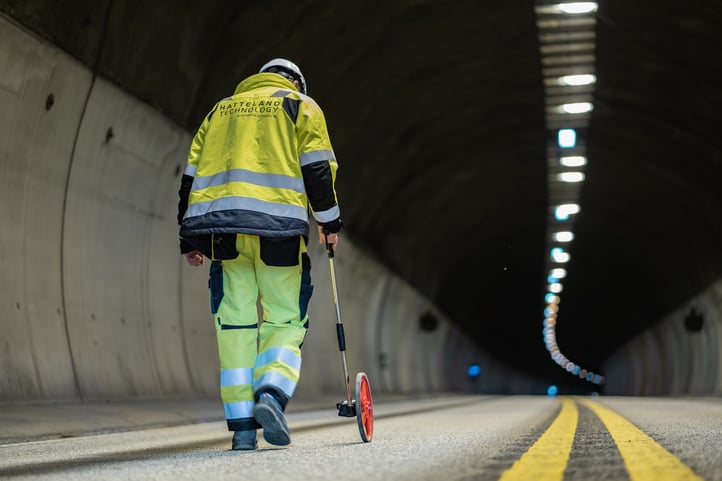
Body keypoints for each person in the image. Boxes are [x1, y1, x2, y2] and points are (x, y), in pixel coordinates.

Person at [177, 58, 343, 451]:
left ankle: (243, 430)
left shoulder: (220, 111)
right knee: (285, 317)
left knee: (234, 324)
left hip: (224, 233)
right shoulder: (300, 105)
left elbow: (191, 177)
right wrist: (329, 223)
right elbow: (317, 169)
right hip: (279, 231)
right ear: (297, 81)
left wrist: (189, 239)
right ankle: (270, 393)